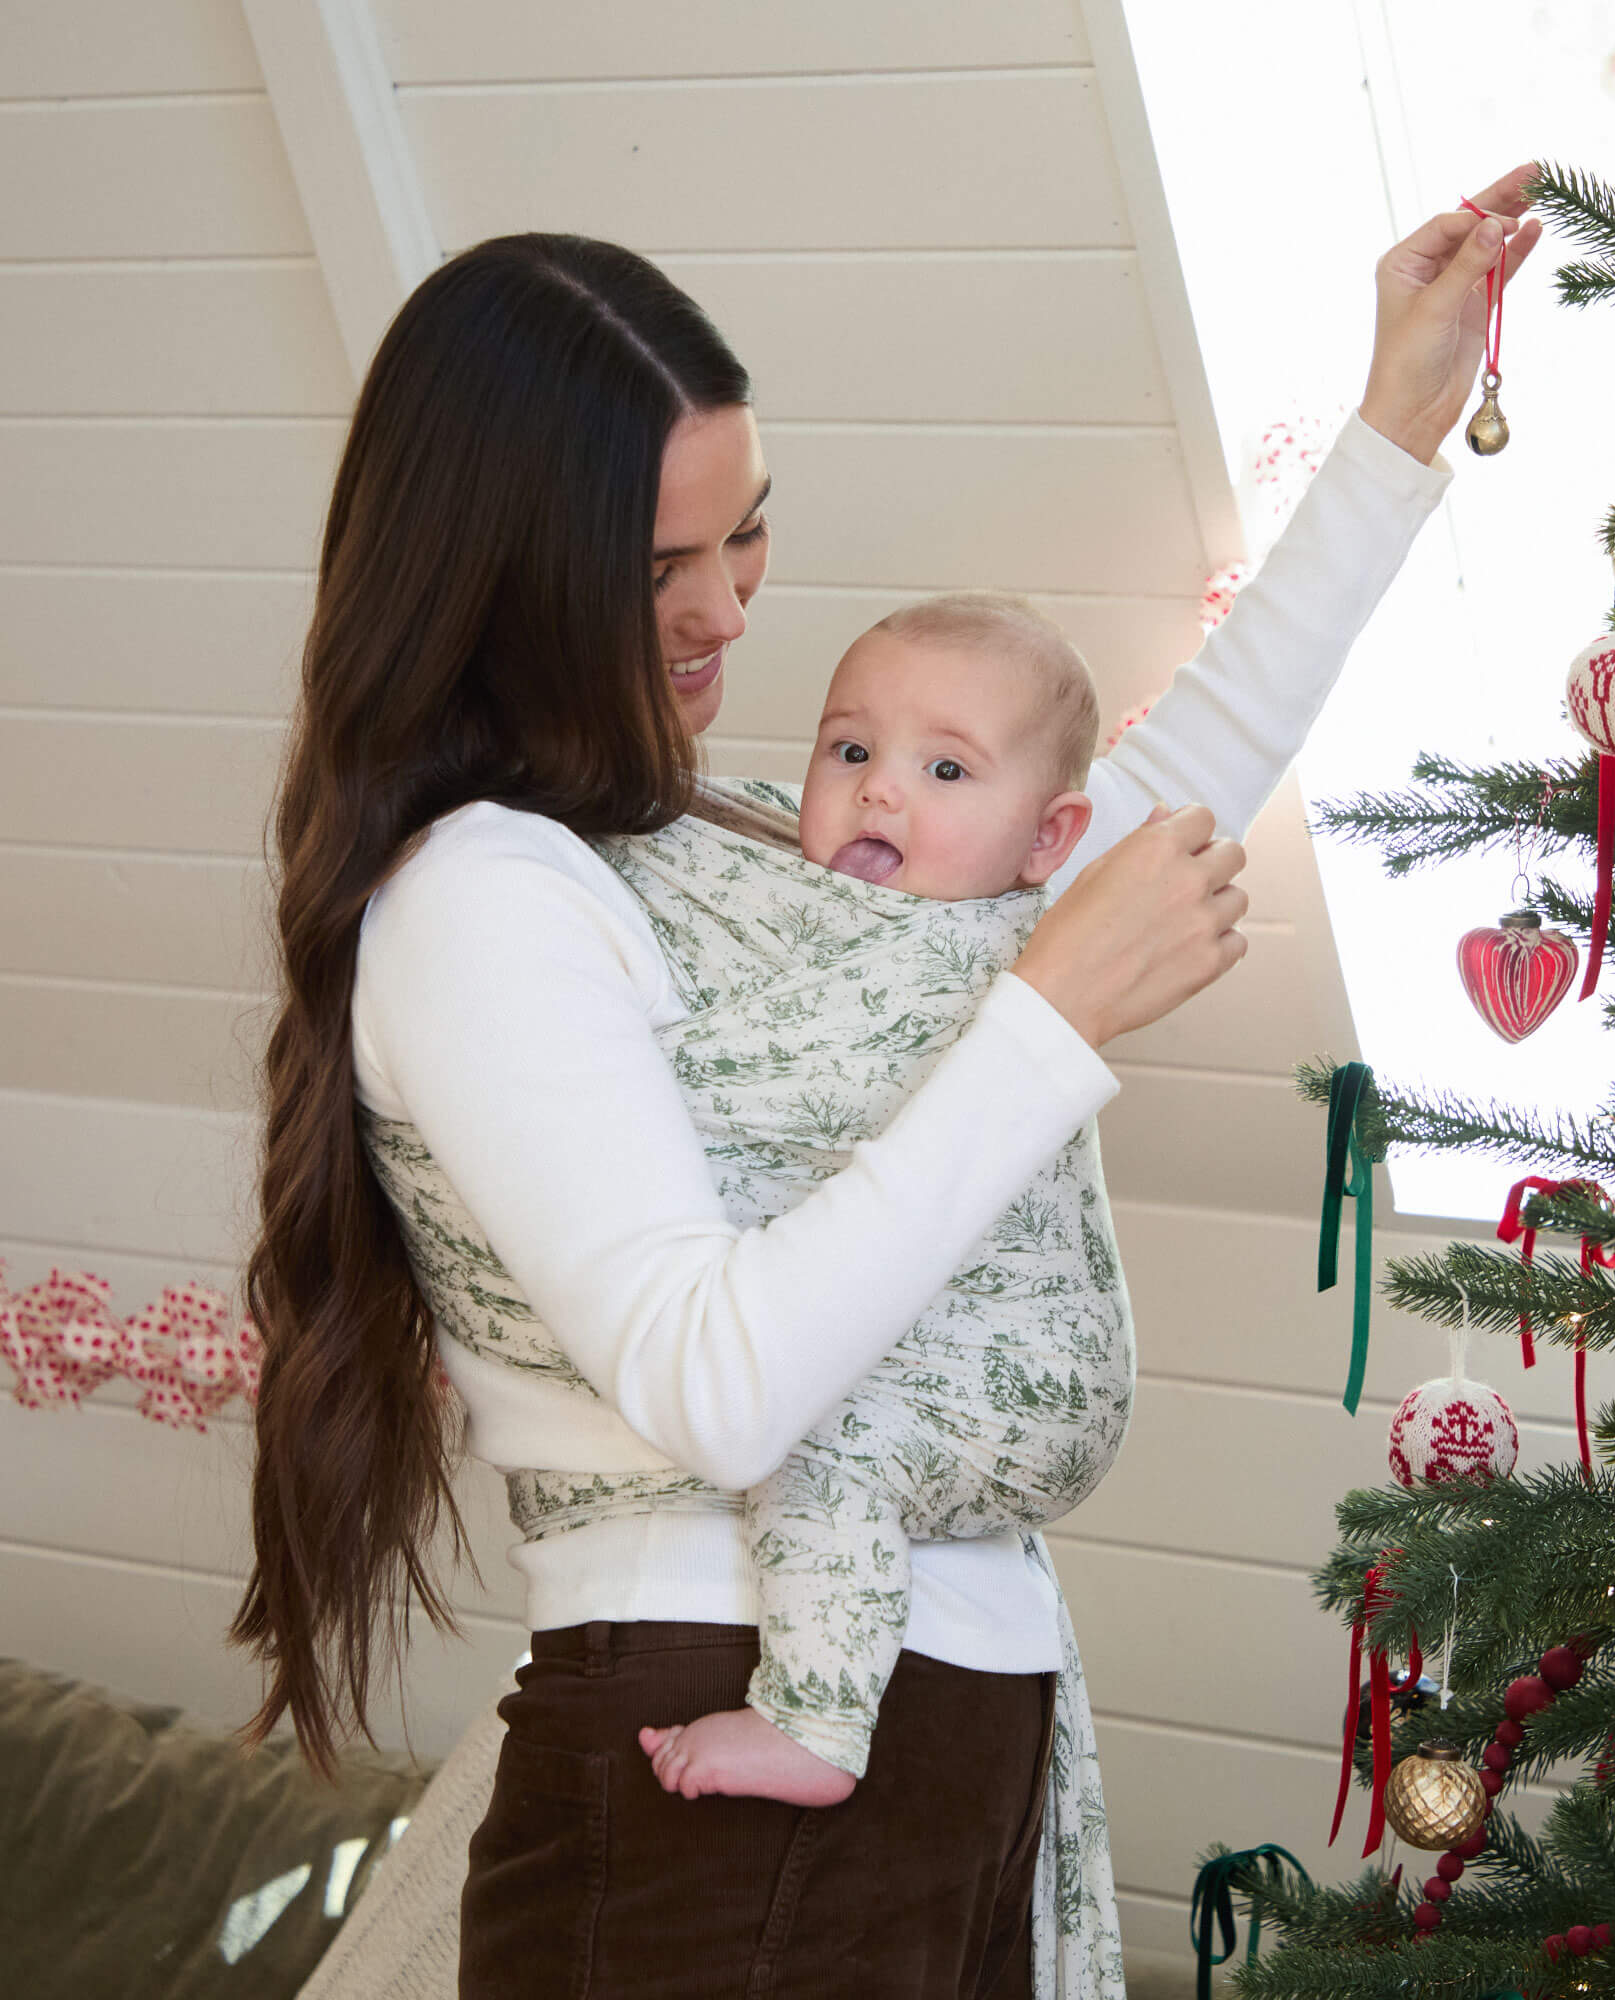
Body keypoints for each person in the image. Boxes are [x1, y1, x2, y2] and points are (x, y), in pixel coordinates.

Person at [233, 174, 1540, 1999]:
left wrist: (1398, 421)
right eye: (659, 567)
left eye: (748, 532)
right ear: (503, 572)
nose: (723, 608)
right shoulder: (480, 897)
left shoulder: (750, 837)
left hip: (944, 1738)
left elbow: (1131, 802)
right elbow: (718, 1387)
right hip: (710, 1752)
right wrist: (1048, 1021)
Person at [624, 594, 1121, 1811]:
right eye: (849, 749)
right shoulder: (817, 908)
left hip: (1024, 1382)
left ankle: (814, 1716)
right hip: (953, 1367)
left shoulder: (977, 960)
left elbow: (747, 1088)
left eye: (944, 769)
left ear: (1047, 837)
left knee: (821, 1444)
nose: (878, 789)